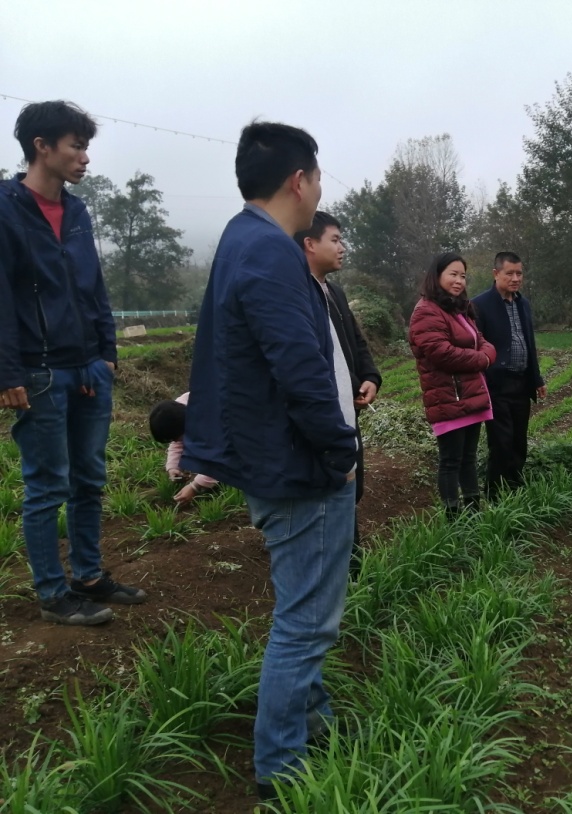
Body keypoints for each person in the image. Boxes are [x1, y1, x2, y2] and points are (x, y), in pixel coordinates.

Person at [181, 121, 358, 801]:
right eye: (318, 178)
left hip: (268, 455)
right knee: (306, 621)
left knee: (303, 605)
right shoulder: (271, 252)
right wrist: (340, 451)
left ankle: (312, 720)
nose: (319, 190)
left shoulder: (240, 238)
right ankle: (281, 767)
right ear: (299, 181)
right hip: (297, 467)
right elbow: (299, 367)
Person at [0, 100, 146, 626]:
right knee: (47, 483)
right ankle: (51, 591)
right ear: (42, 147)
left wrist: (106, 353)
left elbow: (93, 286)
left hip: (88, 366)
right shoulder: (6, 208)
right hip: (39, 371)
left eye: (85, 147)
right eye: (76, 146)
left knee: (89, 477)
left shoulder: (78, 211)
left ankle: (88, 574)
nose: (85, 157)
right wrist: (7, 371)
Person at [294, 211, 382, 569]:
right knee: (333, 494)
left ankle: (351, 567)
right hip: (323, 416)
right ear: (309, 244)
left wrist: (371, 378)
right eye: (335, 239)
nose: (342, 247)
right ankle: (345, 572)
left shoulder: (335, 293)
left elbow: (357, 346)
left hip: (349, 413)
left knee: (352, 488)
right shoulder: (297, 295)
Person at [409, 252, 496, 517]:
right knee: (450, 460)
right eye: (453, 275)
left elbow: (482, 340)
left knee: (468, 457)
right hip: (448, 397)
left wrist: (485, 355)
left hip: (469, 394)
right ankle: (453, 518)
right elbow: (441, 352)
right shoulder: (426, 311)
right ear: (437, 276)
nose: (459, 281)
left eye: (463, 276)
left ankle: (473, 510)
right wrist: (483, 359)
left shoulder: (457, 309)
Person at [471, 251, 546, 496]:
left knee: (518, 440)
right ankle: (494, 491)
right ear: (496, 274)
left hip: (521, 383)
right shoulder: (480, 305)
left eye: (519, 273)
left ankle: (514, 486)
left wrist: (536, 379)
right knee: (501, 442)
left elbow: (529, 342)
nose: (515, 278)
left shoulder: (522, 303)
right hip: (496, 384)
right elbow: (476, 345)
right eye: (509, 273)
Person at [148, 394, 218, 504]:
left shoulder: (211, 420)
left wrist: (195, 487)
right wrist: (173, 467)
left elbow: (220, 459)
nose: (175, 441)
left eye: (175, 437)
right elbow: (178, 443)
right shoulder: (177, 413)